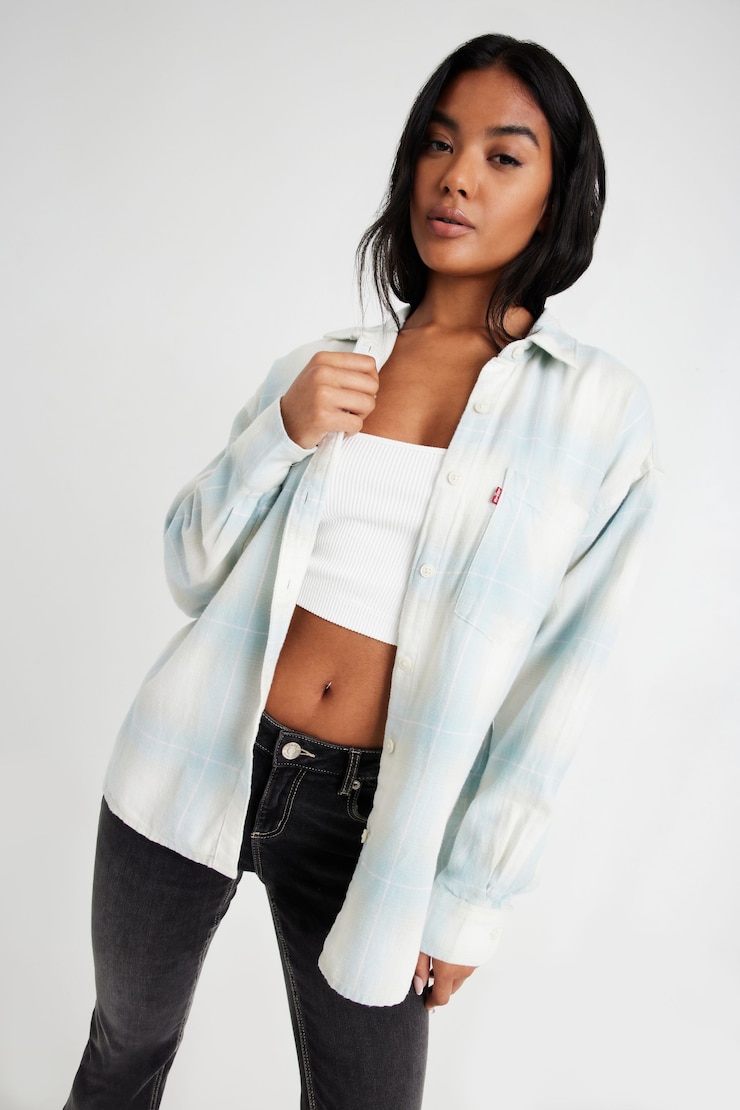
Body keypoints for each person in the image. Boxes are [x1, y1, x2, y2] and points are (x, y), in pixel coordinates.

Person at [64, 32, 661, 1110]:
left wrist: (471, 899)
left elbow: (558, 682)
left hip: (373, 819)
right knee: (123, 1053)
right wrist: (282, 433)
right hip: (196, 750)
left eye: (502, 155)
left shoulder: (595, 413)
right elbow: (187, 567)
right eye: (438, 144)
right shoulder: (320, 366)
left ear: (558, 193)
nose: (457, 177)